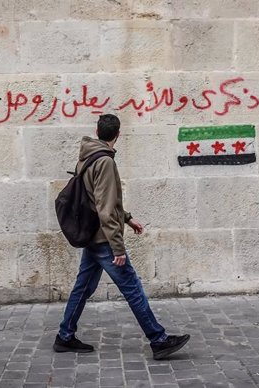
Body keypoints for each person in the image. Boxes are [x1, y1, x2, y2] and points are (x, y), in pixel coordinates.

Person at [54, 114, 190, 360]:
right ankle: (158, 340)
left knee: (82, 287)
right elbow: (105, 207)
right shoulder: (105, 161)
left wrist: (127, 218)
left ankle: (64, 336)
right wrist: (117, 248)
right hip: (104, 239)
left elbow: (101, 200)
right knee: (132, 287)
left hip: (94, 237)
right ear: (118, 134)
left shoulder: (87, 155)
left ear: (97, 131)